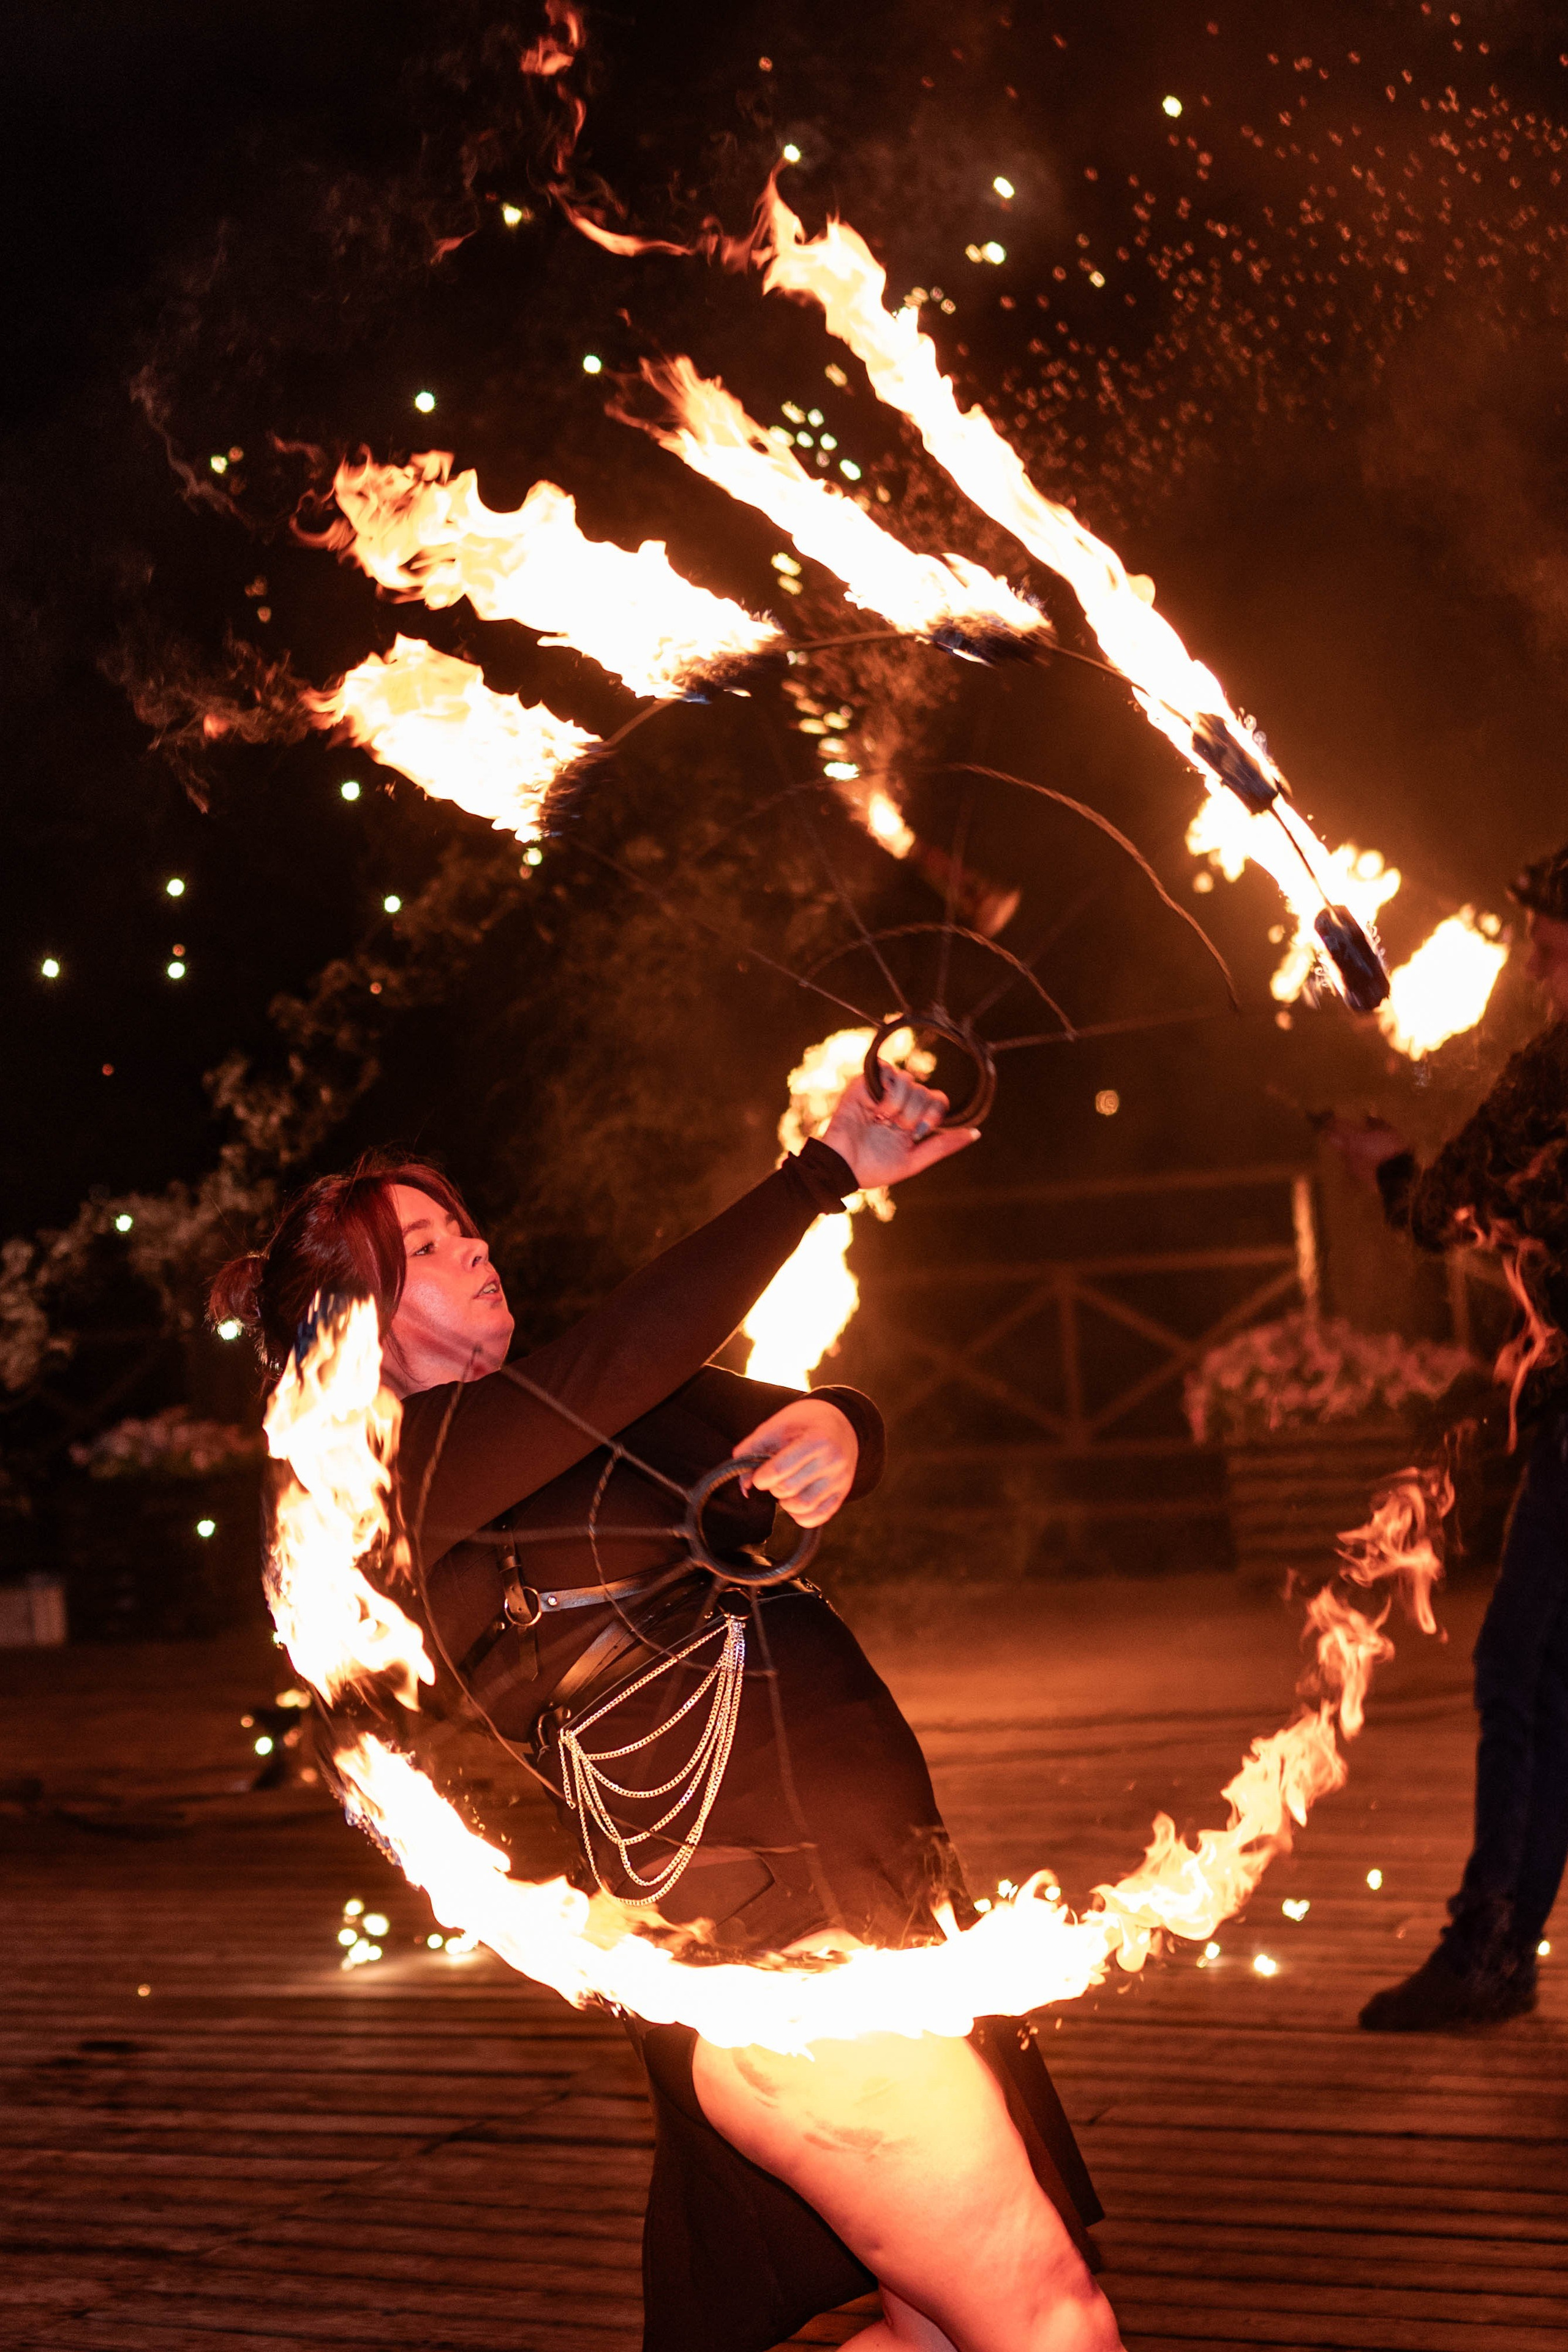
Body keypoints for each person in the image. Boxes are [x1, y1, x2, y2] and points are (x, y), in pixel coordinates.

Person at [213, 1066, 1123, 2352]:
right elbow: (632, 1347)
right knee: (1051, 2326)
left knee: (943, 2341)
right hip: (780, 1955)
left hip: (882, 1906)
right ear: (356, 1323)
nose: (473, 1245)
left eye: (464, 1224)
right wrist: (820, 1178)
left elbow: (770, 1415)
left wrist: (840, 1432)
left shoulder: (606, 1410)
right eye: (425, 1244)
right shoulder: (400, 1480)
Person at [1328, 843, 1568, 2031]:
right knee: (1545, 1681)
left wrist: (1389, 1168)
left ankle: (1486, 1953)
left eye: (1547, 939)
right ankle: (1498, 1946)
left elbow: (1447, 1208)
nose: (1530, 959)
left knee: (1520, 1678)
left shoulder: (1552, 1066)